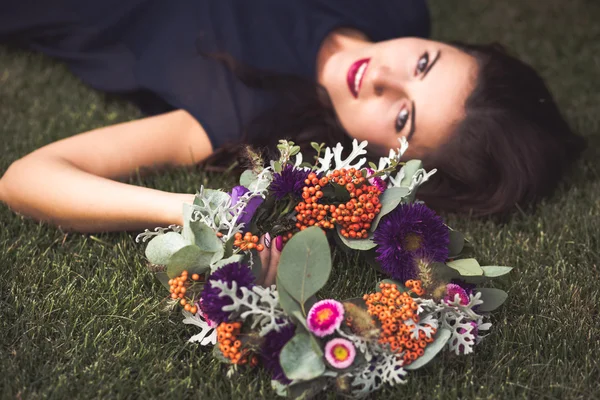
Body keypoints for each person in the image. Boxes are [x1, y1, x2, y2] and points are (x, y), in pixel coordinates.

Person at [0, 0, 586, 235]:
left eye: (403, 117)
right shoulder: (396, 7)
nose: (381, 76)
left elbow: (29, 177)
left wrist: (202, 213)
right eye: (424, 62)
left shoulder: (252, 117)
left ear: (392, 160)